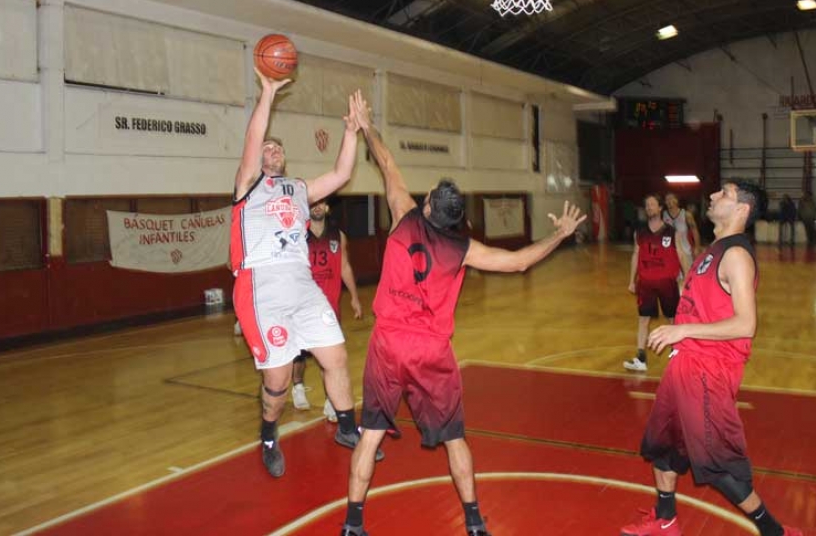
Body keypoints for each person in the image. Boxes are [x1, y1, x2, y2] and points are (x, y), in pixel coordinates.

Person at [341, 92, 585, 536]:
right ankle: (473, 522)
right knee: (455, 438)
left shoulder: (402, 216)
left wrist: (365, 125)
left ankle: (352, 524)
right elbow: (519, 262)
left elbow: (386, 162)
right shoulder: (463, 247)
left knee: (371, 434)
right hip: (431, 351)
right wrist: (560, 236)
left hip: (388, 344)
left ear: (429, 205)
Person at [620, 180, 803, 536]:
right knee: (662, 447)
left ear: (741, 210)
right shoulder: (711, 250)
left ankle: (774, 532)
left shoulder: (736, 255)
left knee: (719, 464)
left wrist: (682, 331)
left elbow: (746, 324)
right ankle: (665, 520)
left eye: (726, 193)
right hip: (684, 365)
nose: (715, 196)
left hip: (709, 371)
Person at [230, 70, 379, 479]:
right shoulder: (247, 186)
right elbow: (252, 140)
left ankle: (348, 429)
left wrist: (352, 132)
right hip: (260, 285)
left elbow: (341, 175)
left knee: (335, 355)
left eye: (277, 147)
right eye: (267, 147)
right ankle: (267, 433)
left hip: (301, 282)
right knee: (276, 384)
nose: (272, 149)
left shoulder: (297, 189)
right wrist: (268, 93)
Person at [289, 198, 364, 423]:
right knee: (299, 356)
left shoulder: (338, 236)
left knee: (328, 359)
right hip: (301, 306)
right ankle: (298, 387)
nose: (317, 207)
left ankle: (332, 400)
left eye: (321, 203)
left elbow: (345, 267)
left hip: (329, 308)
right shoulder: (297, 236)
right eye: (313, 204)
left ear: (327, 208)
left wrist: (354, 297)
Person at [623, 194, 690, 372]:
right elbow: (635, 255)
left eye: (652, 204)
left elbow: (682, 254)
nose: (649, 208)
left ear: (660, 208)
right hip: (646, 283)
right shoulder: (640, 232)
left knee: (673, 319)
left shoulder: (671, 231)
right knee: (643, 319)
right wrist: (632, 280)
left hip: (668, 283)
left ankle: (678, 356)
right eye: (647, 205)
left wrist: (687, 278)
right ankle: (641, 359)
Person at [663, 192, 701, 260]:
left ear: (676, 200)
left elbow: (695, 231)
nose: (669, 201)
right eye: (667, 199)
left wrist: (697, 248)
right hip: (668, 252)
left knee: (687, 270)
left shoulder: (686, 215)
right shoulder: (662, 215)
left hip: (685, 251)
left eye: (671, 198)